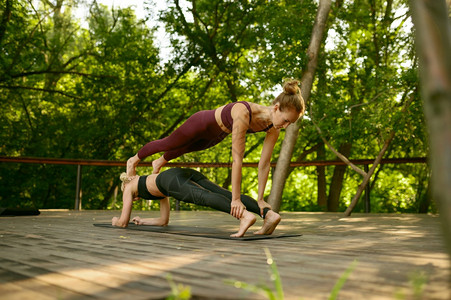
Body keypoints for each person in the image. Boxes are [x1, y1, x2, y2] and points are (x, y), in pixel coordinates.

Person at [126, 80, 305, 219]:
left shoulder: (272, 129)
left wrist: (260, 199)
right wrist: (235, 200)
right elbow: (237, 159)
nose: (287, 125)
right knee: (169, 143)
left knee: (186, 149)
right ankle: (133, 160)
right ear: (276, 108)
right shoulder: (243, 113)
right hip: (200, 124)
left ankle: (160, 162)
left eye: (291, 123)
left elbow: (264, 164)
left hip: (216, 135)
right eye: (286, 120)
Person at [112, 168, 282, 238]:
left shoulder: (127, 188)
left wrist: (115, 221)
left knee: (204, 197)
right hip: (176, 174)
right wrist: (144, 221)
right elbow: (164, 221)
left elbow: (122, 223)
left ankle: (244, 216)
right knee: (226, 194)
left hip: (171, 181)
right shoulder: (150, 184)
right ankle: (269, 214)